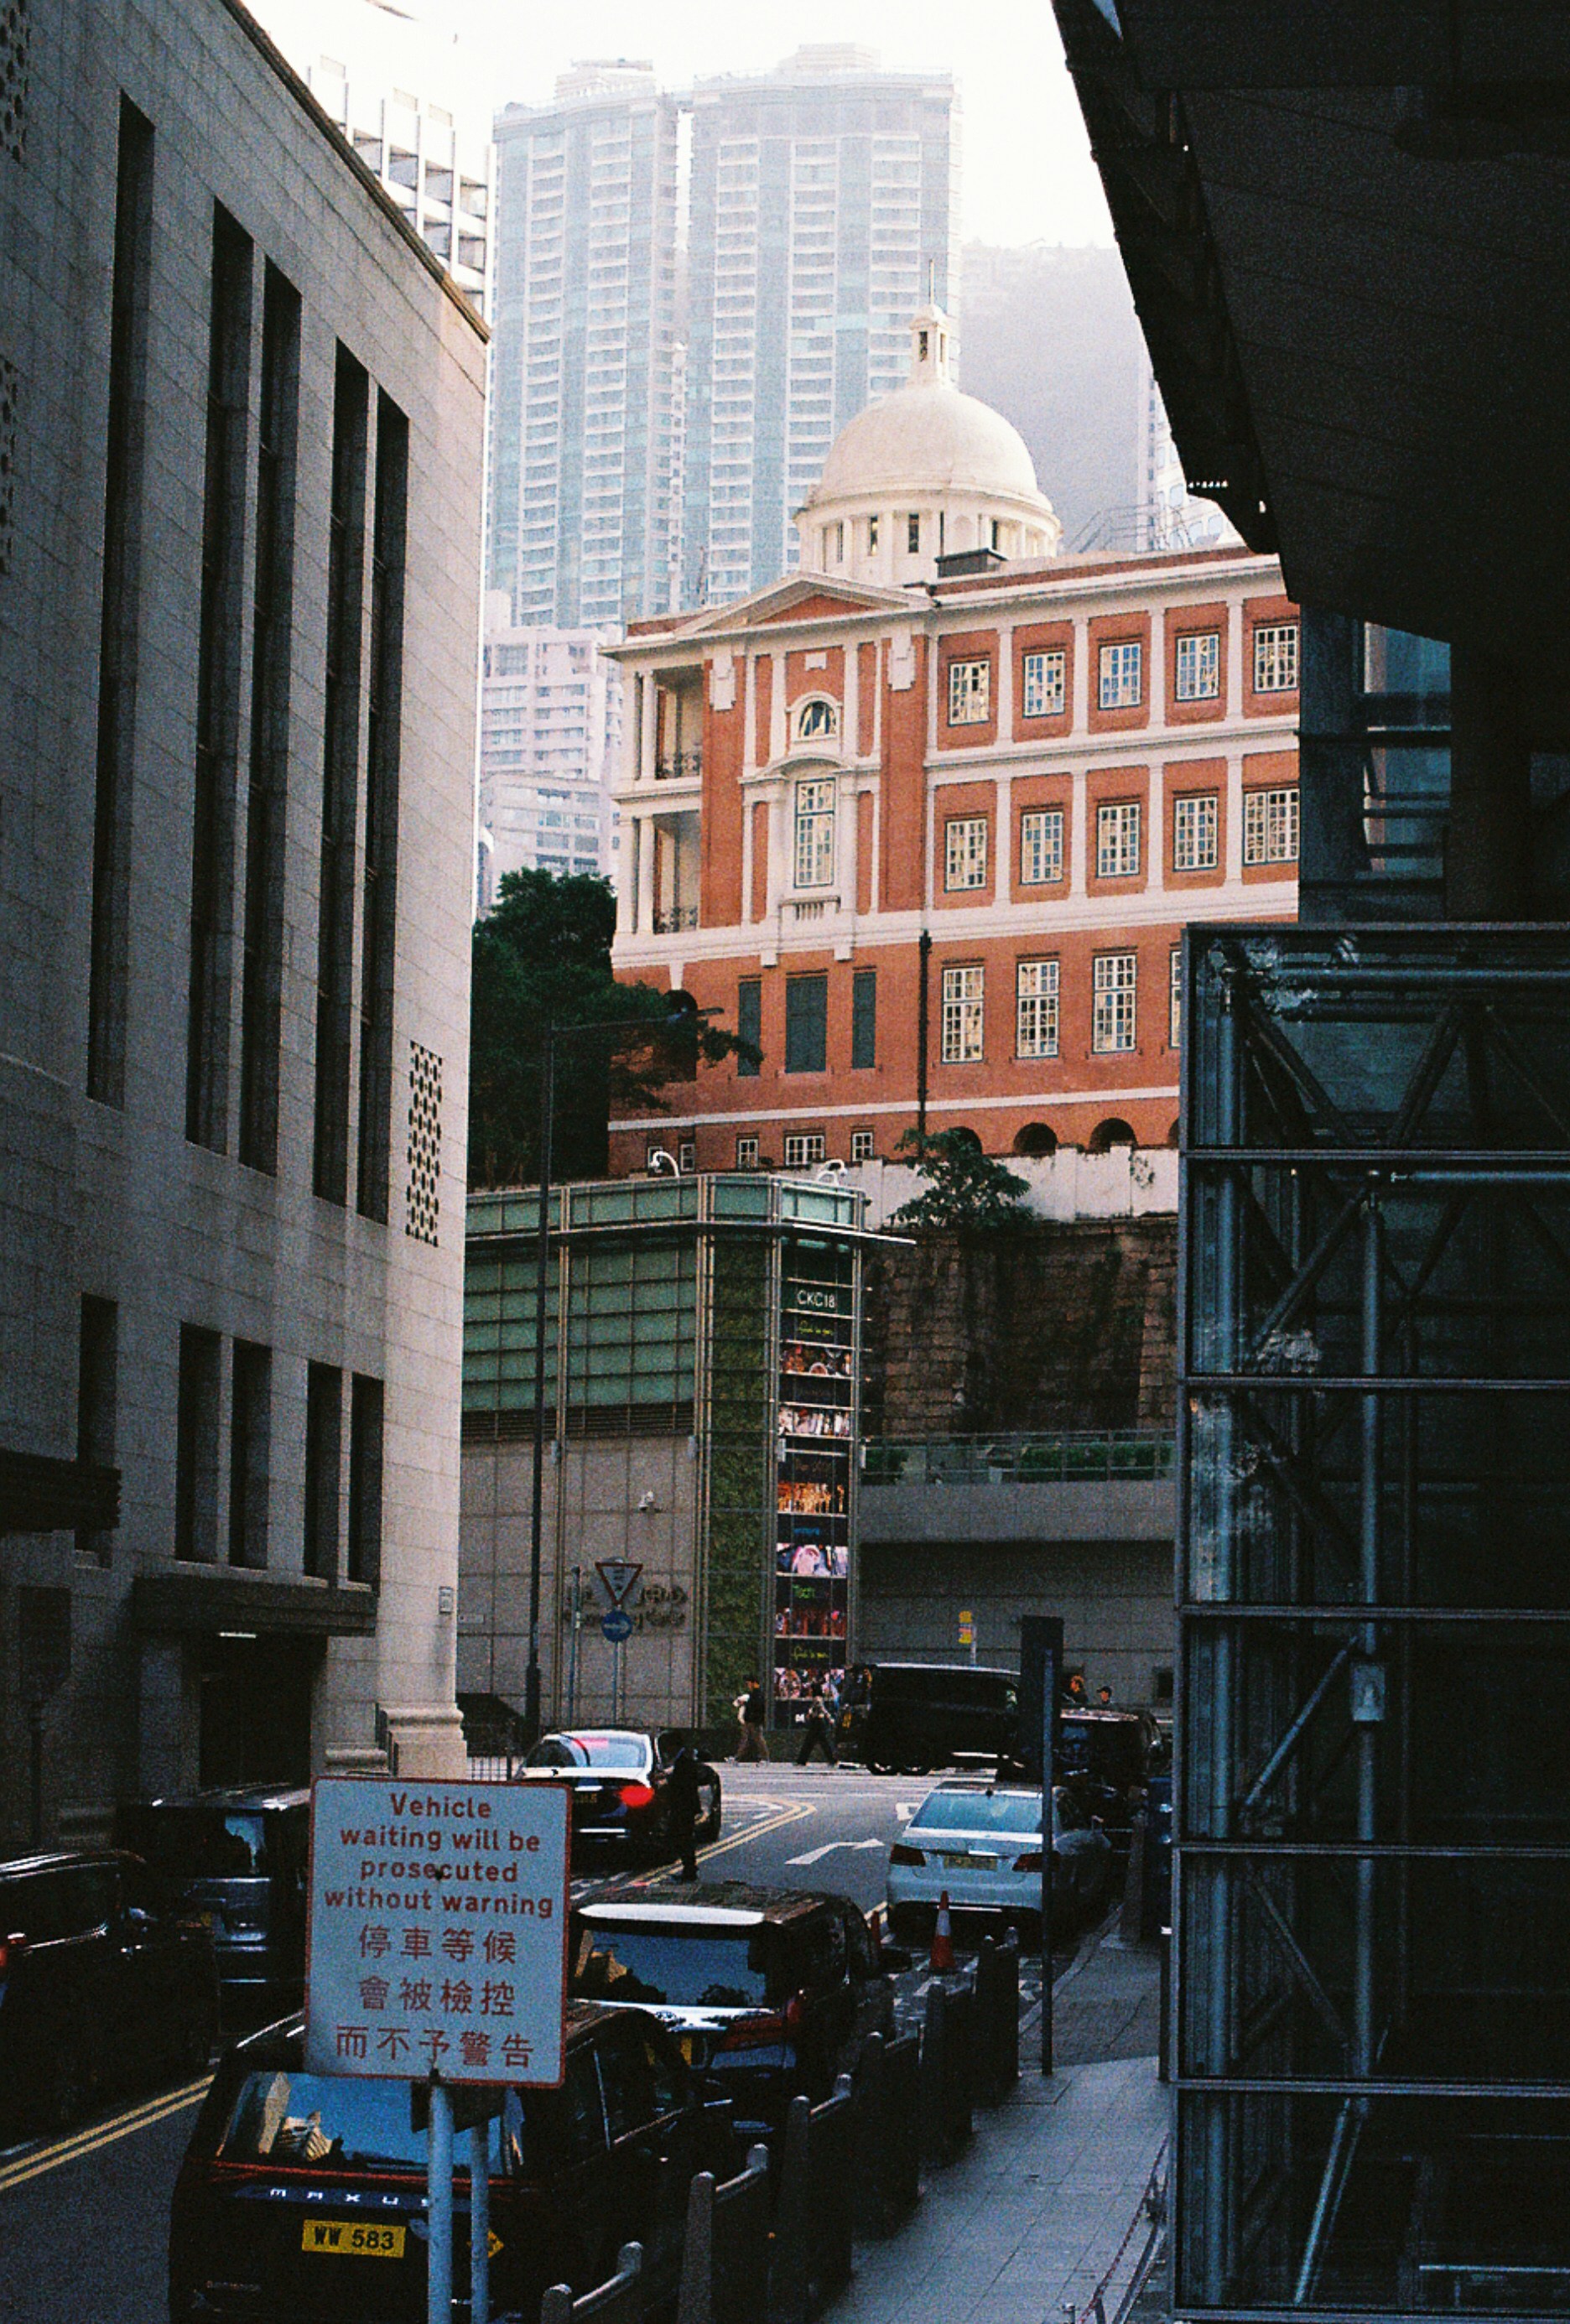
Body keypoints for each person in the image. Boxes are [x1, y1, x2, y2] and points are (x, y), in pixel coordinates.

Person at [665, 1738, 704, 1880]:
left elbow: (684, 1785)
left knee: (683, 1838)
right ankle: (689, 1868)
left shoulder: (684, 1761)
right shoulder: (682, 1759)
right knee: (683, 1838)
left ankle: (689, 1870)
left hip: (683, 1807)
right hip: (685, 1806)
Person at [796, 1682, 837, 1765]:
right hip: (818, 1722)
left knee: (810, 1742)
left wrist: (829, 1717)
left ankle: (802, 1760)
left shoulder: (817, 1699)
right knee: (822, 1742)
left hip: (817, 1722)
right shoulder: (819, 1698)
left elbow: (821, 1709)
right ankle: (832, 1759)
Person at [737, 1677, 770, 1761]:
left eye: (749, 1683)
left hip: (753, 1720)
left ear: (754, 1683)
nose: (748, 1686)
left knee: (756, 1739)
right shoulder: (755, 1694)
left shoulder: (757, 1694)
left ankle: (765, 1757)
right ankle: (737, 1757)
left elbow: (757, 1707)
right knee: (748, 1739)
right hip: (752, 1720)